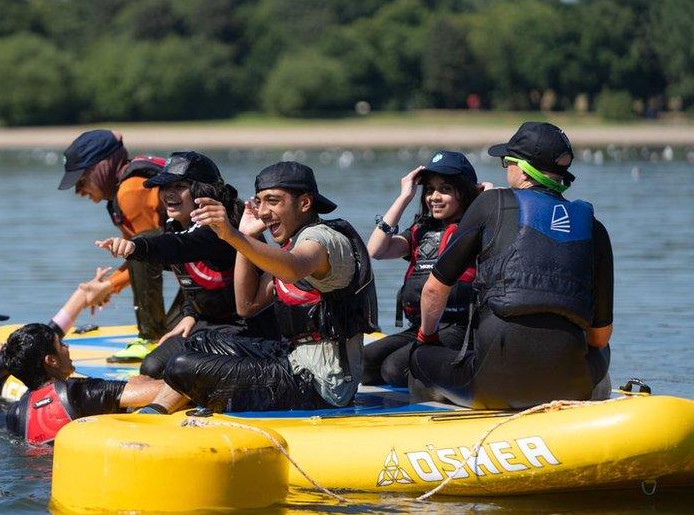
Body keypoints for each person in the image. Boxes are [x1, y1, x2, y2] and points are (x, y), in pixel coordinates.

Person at [139, 161, 379, 413]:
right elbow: (247, 305)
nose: (263, 212)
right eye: (260, 201)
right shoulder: (290, 245)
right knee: (198, 343)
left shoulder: (324, 240)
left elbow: (294, 267)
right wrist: (247, 235)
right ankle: (159, 409)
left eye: (273, 201)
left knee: (182, 365)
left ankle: (157, 409)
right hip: (293, 360)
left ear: (305, 203)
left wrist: (232, 236)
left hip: (323, 386)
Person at [409, 122, 614, 409]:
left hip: (492, 383)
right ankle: (587, 412)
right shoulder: (595, 228)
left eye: (507, 162)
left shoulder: (491, 203)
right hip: (571, 382)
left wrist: (427, 337)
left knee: (419, 356)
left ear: (522, 167)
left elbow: (433, 290)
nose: (506, 169)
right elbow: (600, 336)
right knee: (601, 352)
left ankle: (439, 429)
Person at [94, 152, 278, 379]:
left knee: (180, 368)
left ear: (203, 192)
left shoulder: (222, 229)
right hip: (208, 322)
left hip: (247, 331)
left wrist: (135, 247)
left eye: (179, 186)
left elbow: (182, 246)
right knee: (151, 367)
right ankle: (153, 335)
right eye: (165, 187)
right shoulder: (175, 226)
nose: (169, 194)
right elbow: (188, 273)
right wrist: (190, 314)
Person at [361, 151, 482, 387]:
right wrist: (405, 196)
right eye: (429, 189)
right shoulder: (421, 231)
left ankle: (467, 370)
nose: (434, 197)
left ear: (465, 192)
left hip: (459, 328)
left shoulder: (476, 229)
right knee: (363, 364)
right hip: (422, 327)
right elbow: (376, 250)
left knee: (394, 369)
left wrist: (489, 196)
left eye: (445, 189)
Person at [58, 129, 180, 362]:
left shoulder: (131, 190)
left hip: (217, 263)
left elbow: (146, 252)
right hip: (205, 260)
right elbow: (145, 256)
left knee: (167, 341)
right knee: (173, 339)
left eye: (81, 180)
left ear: (100, 167)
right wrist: (108, 286)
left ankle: (150, 337)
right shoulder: (122, 193)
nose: (78, 191)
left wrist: (109, 286)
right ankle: (159, 337)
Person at [2, 323, 172, 444]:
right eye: (60, 344)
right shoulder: (79, 392)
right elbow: (162, 390)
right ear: (51, 360)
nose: (66, 347)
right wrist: (142, 380)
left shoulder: (15, 413)